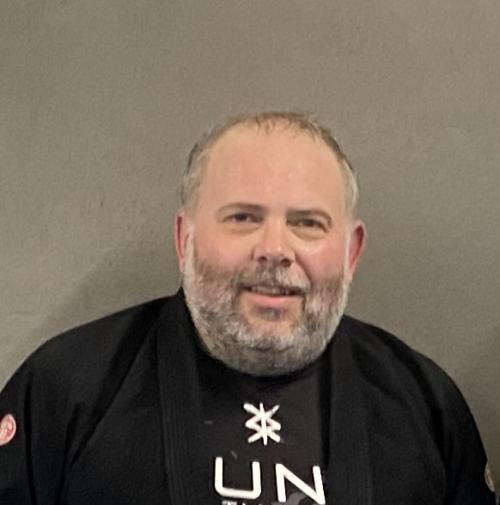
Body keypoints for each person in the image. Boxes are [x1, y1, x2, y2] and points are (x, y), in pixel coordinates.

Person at [0, 111, 495, 505]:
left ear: (351, 251)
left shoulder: (425, 406)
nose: (274, 249)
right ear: (185, 239)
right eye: (242, 218)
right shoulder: (65, 391)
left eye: (307, 223)